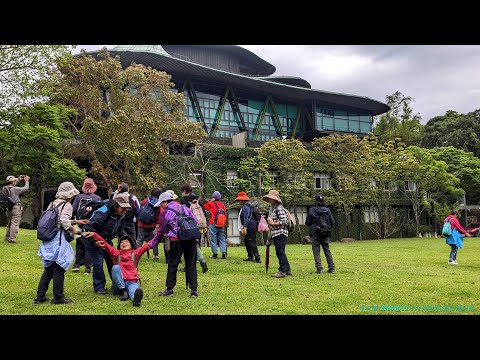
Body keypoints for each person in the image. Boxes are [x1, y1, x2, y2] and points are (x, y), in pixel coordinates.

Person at [34, 182, 88, 305]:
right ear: (70, 194)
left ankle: (40, 297)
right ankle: (58, 298)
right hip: (57, 240)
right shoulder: (67, 205)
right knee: (59, 269)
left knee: (48, 270)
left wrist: (75, 220)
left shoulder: (53, 203)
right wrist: (75, 230)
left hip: (49, 239)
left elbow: (57, 218)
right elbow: (63, 220)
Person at [151, 191, 199, 298]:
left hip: (176, 240)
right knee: (191, 264)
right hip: (190, 238)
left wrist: (152, 244)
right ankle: (194, 290)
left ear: (165, 202)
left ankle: (169, 289)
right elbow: (195, 220)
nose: (161, 207)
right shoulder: (184, 207)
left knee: (173, 264)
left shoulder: (165, 212)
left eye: (161, 204)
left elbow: (161, 231)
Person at [82, 193, 130, 294]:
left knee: (112, 262)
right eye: (123, 207)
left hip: (107, 239)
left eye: (126, 208)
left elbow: (121, 231)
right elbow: (88, 227)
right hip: (93, 238)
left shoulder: (121, 215)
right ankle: (99, 287)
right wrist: (95, 242)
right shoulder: (103, 211)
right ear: (115, 205)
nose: (125, 210)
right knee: (98, 262)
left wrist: (126, 240)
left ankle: (118, 284)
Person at [93, 233, 151, 306]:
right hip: (118, 285)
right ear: (119, 246)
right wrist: (94, 234)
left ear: (131, 245)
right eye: (122, 242)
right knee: (115, 268)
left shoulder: (135, 253)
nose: (124, 243)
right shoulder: (116, 253)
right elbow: (105, 244)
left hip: (132, 282)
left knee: (134, 291)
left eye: (126, 242)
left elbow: (147, 245)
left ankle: (136, 301)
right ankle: (122, 290)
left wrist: (160, 235)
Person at [71, 178, 101, 274]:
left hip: (79, 223)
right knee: (89, 244)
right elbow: (100, 211)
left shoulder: (79, 197)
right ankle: (88, 267)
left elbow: (73, 209)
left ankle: (77, 265)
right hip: (91, 224)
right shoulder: (97, 198)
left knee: (79, 243)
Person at [180, 184, 208, 273]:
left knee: (187, 245)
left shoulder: (184, 200)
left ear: (184, 191)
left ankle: (188, 265)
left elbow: (182, 213)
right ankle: (201, 261)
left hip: (188, 225)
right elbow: (203, 212)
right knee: (195, 244)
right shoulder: (197, 200)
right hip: (199, 225)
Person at [263, 189, 291, 278]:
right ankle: (287, 269)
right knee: (280, 251)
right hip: (275, 233)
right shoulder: (272, 208)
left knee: (280, 251)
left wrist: (273, 223)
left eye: (271, 198)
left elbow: (284, 221)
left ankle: (282, 271)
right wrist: (269, 238)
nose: (269, 200)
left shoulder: (279, 208)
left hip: (281, 233)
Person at [305, 195, 336, 274]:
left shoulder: (312, 210)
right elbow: (332, 222)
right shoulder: (327, 210)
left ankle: (319, 269)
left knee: (316, 251)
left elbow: (307, 222)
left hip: (315, 233)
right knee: (327, 250)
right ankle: (332, 268)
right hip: (325, 233)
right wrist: (327, 229)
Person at [136, 187, 162, 261]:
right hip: (152, 224)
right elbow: (157, 214)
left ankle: (137, 254)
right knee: (154, 239)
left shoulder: (144, 201)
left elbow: (139, 211)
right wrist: (157, 224)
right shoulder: (157, 203)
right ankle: (156, 255)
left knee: (140, 239)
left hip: (141, 223)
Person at [3, 175, 30, 243]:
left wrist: (18, 179)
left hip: (8, 208)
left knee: (9, 223)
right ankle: (12, 239)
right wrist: (26, 181)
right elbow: (26, 188)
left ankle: (7, 237)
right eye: (15, 181)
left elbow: (12, 184)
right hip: (15, 207)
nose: (15, 182)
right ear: (13, 182)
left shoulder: (4, 188)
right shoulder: (14, 189)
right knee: (14, 223)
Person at [235, 191, 261, 263]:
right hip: (252, 225)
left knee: (251, 241)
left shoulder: (246, 206)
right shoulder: (249, 205)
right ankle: (250, 256)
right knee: (247, 241)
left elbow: (247, 217)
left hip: (250, 226)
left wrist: (244, 226)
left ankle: (257, 257)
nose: (238, 201)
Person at [203, 191, 228, 259]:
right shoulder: (223, 205)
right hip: (221, 224)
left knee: (213, 239)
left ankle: (215, 254)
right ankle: (223, 253)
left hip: (213, 223)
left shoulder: (212, 204)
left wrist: (211, 201)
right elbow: (225, 215)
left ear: (213, 197)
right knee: (222, 238)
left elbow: (204, 207)